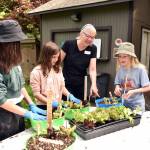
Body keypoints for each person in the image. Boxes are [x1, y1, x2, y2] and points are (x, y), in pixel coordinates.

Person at [0, 19, 46, 141]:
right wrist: (28, 113)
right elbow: (1, 101)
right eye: (16, 43)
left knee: (20, 138)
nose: (18, 46)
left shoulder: (14, 62)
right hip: (3, 115)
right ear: (6, 45)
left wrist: (31, 104)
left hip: (17, 109)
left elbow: (20, 87)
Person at [30, 41, 81, 110]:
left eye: (57, 57)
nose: (56, 60)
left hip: (58, 106)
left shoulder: (58, 69)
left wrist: (69, 95)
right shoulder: (36, 72)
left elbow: (62, 87)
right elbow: (36, 94)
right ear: (46, 56)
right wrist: (51, 102)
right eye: (54, 57)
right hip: (44, 107)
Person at [61, 24, 99, 101]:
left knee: (80, 107)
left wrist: (93, 85)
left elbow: (92, 69)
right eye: (88, 36)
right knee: (65, 108)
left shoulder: (93, 48)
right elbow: (57, 63)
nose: (90, 39)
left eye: (92, 37)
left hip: (81, 85)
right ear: (81, 33)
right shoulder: (68, 44)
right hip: (65, 83)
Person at [114, 41, 150, 112]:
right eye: (120, 56)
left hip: (137, 106)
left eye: (124, 56)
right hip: (123, 104)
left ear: (131, 57)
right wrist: (117, 88)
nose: (121, 59)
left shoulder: (140, 69)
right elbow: (117, 83)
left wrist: (133, 91)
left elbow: (148, 87)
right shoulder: (120, 68)